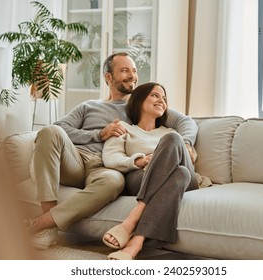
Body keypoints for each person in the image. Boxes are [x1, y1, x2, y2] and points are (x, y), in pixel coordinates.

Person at [27, 52, 199, 250]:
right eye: (124, 70)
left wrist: (186, 144)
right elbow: (60, 127)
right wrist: (99, 135)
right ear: (108, 77)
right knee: (50, 131)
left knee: (114, 181)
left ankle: (41, 224)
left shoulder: (140, 105)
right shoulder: (89, 106)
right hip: (76, 159)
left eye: (134, 71)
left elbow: (186, 122)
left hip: (105, 167)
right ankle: (48, 224)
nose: (132, 76)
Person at [102, 82, 199, 260]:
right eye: (155, 95)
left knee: (173, 140)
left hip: (188, 181)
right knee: (180, 174)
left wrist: (183, 146)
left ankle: (131, 220)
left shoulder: (171, 132)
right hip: (141, 177)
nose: (161, 100)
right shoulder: (124, 128)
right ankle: (136, 243)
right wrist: (138, 160)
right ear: (139, 100)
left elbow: (189, 150)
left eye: (164, 98)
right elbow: (110, 158)